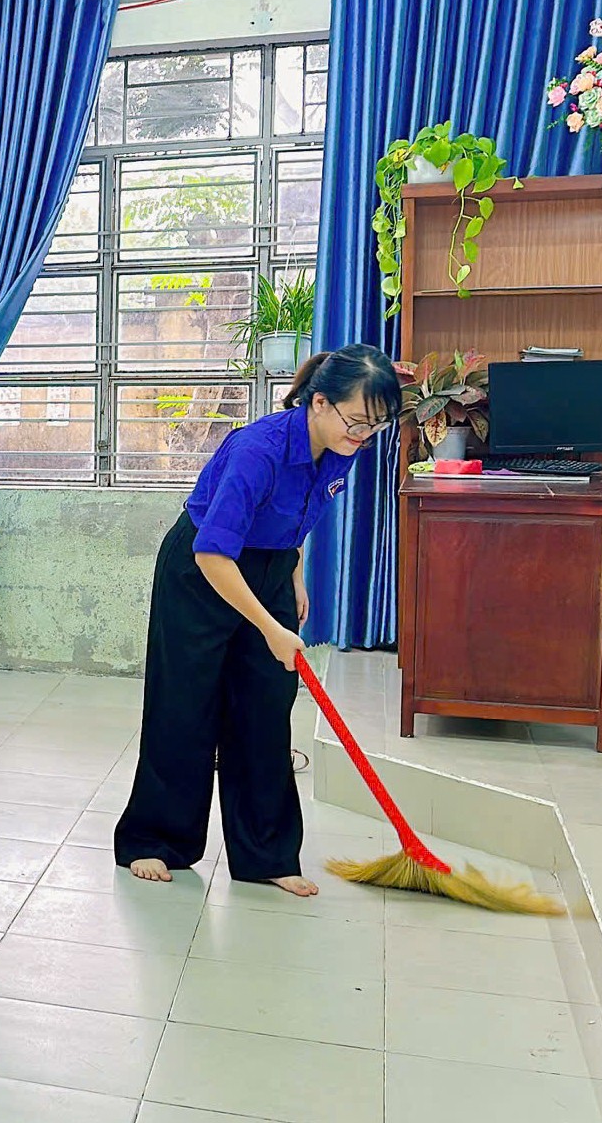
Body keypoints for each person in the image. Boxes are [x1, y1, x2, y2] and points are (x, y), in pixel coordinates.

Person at [114, 344, 400, 898]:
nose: (364, 434)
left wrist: (292, 574)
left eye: (377, 424)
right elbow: (213, 552)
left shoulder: (341, 446)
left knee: (267, 709)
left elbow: (298, 513)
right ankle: (154, 839)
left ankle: (266, 853)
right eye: (357, 420)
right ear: (319, 402)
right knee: (185, 705)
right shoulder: (258, 450)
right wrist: (269, 626)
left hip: (267, 566)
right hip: (203, 573)